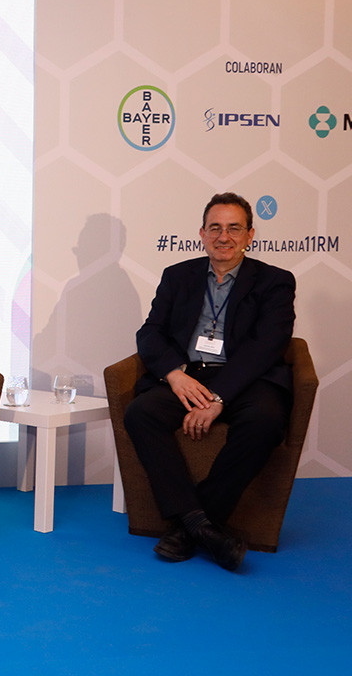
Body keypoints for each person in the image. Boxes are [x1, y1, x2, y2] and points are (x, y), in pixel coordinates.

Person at [124, 192, 296, 571]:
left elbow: (267, 345)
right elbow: (150, 334)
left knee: (265, 420)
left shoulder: (275, 282)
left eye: (234, 228)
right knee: (141, 413)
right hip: (189, 376)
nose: (224, 236)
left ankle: (190, 526)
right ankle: (205, 529)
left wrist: (220, 396)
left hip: (246, 380)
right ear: (201, 233)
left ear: (250, 235)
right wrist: (174, 375)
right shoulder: (178, 275)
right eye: (215, 228)